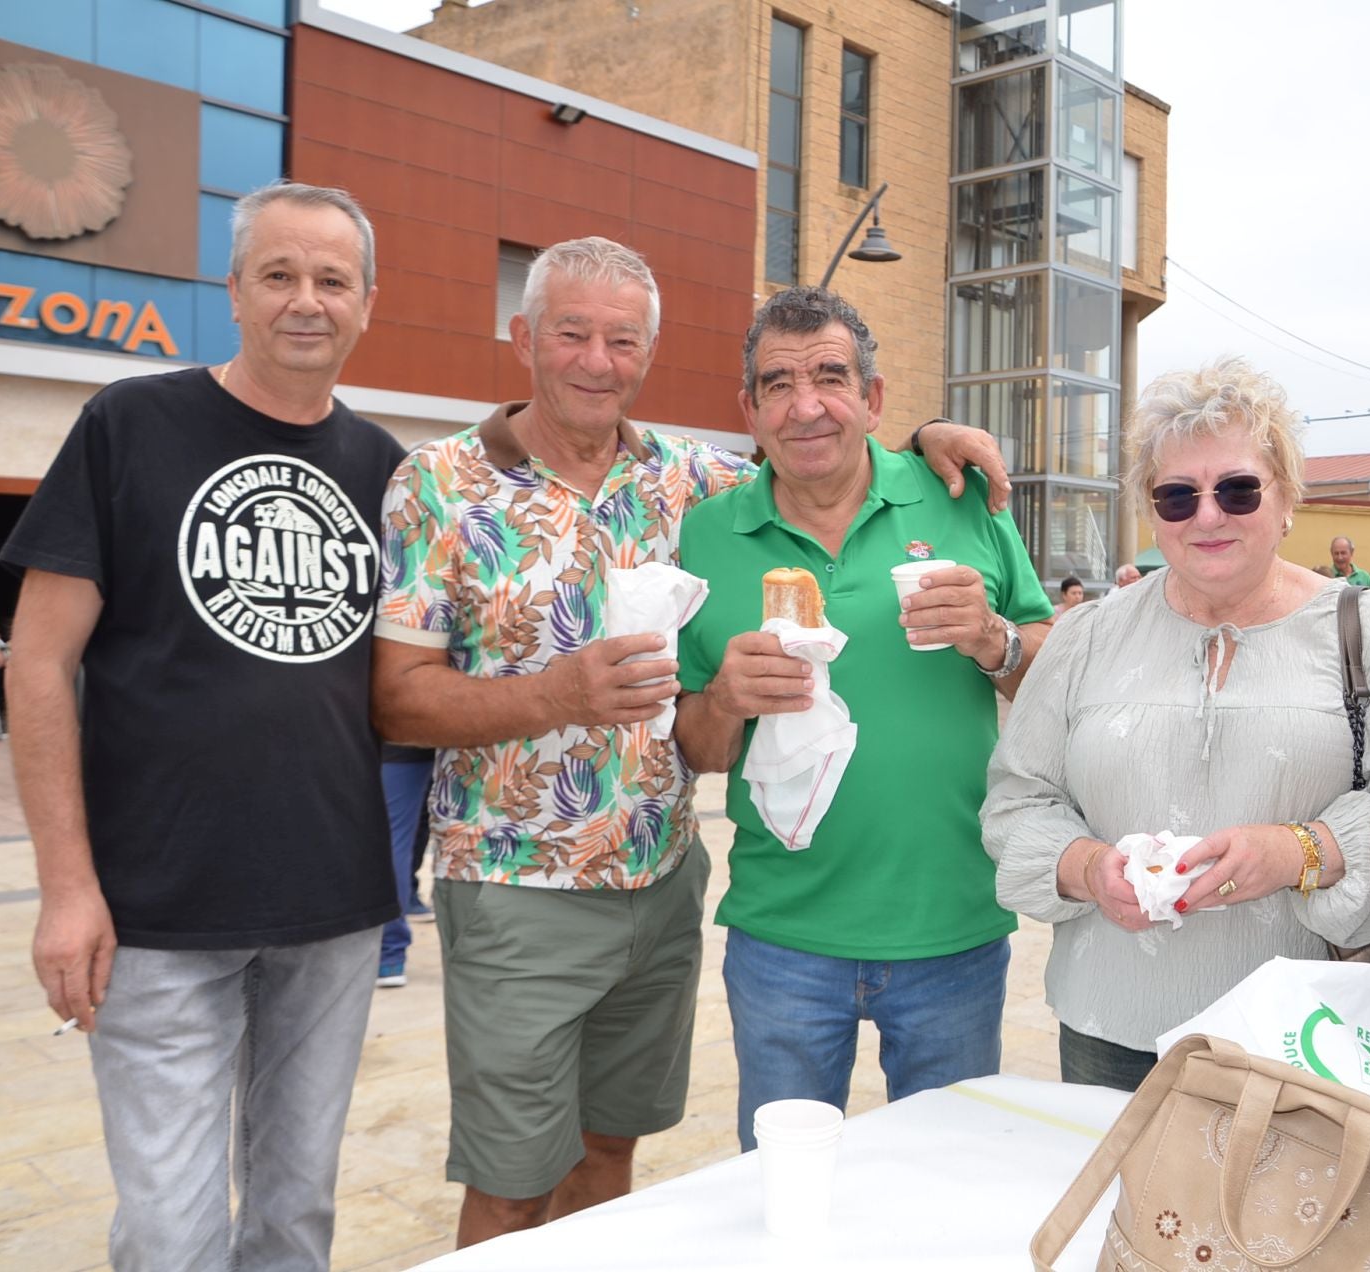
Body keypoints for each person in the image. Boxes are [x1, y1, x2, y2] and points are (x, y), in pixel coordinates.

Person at [371, 249, 1004, 1246]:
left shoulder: (691, 482)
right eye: (573, 334)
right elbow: (395, 705)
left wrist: (928, 437)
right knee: (510, 1180)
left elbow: (821, 448)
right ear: (524, 339)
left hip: (662, 881)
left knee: (610, 1152)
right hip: (514, 885)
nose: (597, 360)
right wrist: (557, 693)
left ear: (650, 353)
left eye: (623, 340)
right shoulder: (437, 484)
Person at [3, 182, 400, 1270]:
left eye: (332, 279)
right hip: (158, 913)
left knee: (293, 1220)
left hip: (333, 907)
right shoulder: (130, 425)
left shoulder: (385, 471)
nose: (305, 301)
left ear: (368, 302)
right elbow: (38, 663)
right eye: (278, 275)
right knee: (173, 1233)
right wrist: (67, 886)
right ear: (233, 291)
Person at [674, 286, 1054, 1151]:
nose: (807, 405)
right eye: (778, 383)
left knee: (947, 1192)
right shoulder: (707, 535)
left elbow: (1055, 681)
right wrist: (725, 697)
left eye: (831, 378)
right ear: (751, 410)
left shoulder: (961, 498)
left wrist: (994, 640)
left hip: (951, 928)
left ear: (875, 400)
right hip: (783, 940)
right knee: (789, 1196)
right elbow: (696, 750)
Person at [983, 356, 1370, 1090]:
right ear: (1150, 512)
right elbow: (1018, 801)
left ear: (1286, 498)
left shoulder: (1367, 632)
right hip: (1113, 1029)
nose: (1209, 515)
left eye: (1237, 489)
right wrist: (1089, 870)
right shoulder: (1087, 636)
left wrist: (1302, 851)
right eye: (1178, 497)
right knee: (1120, 1207)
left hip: (1305, 1036)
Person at [375, 744, 435, 985]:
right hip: (416, 744)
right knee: (398, 840)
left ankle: (389, 956)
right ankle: (389, 955)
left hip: (397, 744)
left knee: (393, 840)